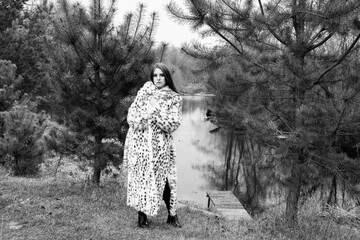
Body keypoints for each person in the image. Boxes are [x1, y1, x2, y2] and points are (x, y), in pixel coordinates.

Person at [123, 62, 183, 228]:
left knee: (165, 181)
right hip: (140, 145)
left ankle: (172, 214)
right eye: (155, 75)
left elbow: (173, 123)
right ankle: (142, 218)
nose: (158, 78)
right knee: (142, 180)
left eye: (161, 75)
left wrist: (153, 113)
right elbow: (132, 117)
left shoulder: (174, 98)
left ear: (167, 77)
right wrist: (145, 115)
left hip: (161, 148)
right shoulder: (144, 92)